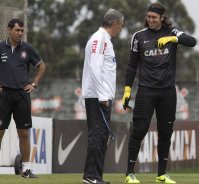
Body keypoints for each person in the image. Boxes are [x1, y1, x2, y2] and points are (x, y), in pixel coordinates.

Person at [122, 2, 196, 184]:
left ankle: (161, 175)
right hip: (146, 91)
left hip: (168, 92)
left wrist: (174, 39)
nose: (151, 20)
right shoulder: (138, 36)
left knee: (166, 132)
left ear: (162, 18)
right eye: (149, 17)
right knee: (139, 130)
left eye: (154, 17)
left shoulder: (172, 32)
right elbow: (132, 65)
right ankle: (129, 174)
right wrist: (127, 89)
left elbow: (192, 42)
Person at [81, 8, 124, 184]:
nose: (121, 29)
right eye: (121, 25)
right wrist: (102, 95)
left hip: (101, 96)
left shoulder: (104, 39)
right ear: (115, 23)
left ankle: (95, 176)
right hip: (98, 97)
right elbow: (95, 67)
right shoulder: (100, 39)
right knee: (97, 134)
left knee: (101, 135)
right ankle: (91, 176)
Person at [0, 18, 46, 178]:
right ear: (9, 30)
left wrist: (34, 84)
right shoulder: (0, 47)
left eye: (22, 31)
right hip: (3, 95)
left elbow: (41, 66)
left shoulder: (28, 49)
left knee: (24, 133)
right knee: (0, 131)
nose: (20, 33)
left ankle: (26, 169)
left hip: (22, 95)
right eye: (17, 30)